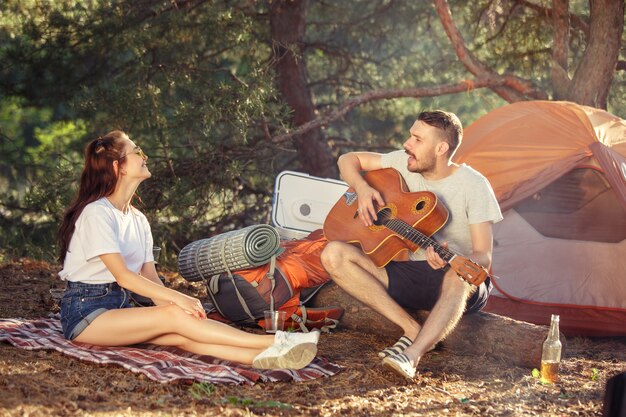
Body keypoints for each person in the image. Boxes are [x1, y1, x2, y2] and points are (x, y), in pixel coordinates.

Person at [57, 130, 319, 370]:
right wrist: (178, 303)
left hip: (119, 309)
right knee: (174, 314)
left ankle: (263, 359)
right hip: (86, 314)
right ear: (119, 167)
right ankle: (274, 343)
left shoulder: (137, 219)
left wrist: (177, 306)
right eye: (136, 151)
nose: (143, 155)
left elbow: (151, 279)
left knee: (179, 332)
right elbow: (124, 277)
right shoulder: (97, 213)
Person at [320, 110, 502, 379]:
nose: (408, 144)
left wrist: (453, 259)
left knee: (458, 275)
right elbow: (348, 159)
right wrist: (362, 188)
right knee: (333, 254)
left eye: (417, 139)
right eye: (410, 136)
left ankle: (411, 356)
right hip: (410, 275)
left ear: (441, 148)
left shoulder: (474, 185)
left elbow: (484, 256)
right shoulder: (403, 162)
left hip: (458, 278)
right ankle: (411, 328)